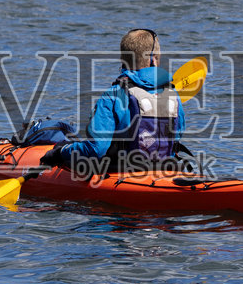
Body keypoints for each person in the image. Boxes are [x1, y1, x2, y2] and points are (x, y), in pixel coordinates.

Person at [41, 27, 190, 177]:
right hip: (166, 169)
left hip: (121, 171)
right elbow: (176, 139)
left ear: (123, 60)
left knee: (71, 149)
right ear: (154, 59)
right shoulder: (173, 95)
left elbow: (96, 149)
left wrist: (61, 152)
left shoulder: (113, 95)